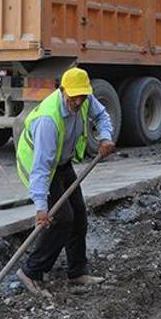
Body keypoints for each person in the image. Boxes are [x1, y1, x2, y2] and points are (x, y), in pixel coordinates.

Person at [15, 67, 115, 298]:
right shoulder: (48, 120)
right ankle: (31, 271)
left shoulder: (86, 100)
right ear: (63, 91)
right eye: (74, 97)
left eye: (82, 96)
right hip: (40, 166)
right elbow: (41, 167)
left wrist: (105, 137)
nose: (78, 102)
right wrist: (41, 207)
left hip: (63, 162)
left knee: (79, 214)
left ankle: (77, 272)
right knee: (61, 218)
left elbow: (102, 116)